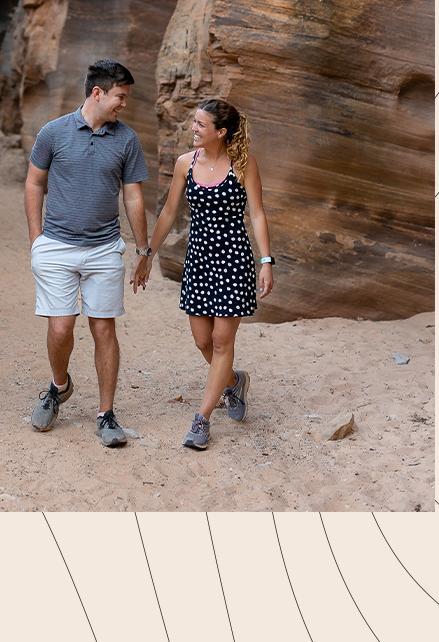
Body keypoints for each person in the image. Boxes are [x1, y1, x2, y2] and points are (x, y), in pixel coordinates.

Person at [25, 59, 152, 446]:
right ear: (98, 92)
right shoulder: (53, 132)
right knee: (61, 327)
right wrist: (36, 240)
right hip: (56, 246)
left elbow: (133, 196)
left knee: (102, 328)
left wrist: (143, 249)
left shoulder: (127, 139)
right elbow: (34, 184)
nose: (123, 104)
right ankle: (58, 386)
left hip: (104, 249)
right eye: (120, 96)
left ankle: (106, 413)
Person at [137, 99, 274, 450]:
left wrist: (266, 260)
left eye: (200, 124)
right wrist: (148, 253)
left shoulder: (244, 165)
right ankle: (233, 382)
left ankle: (202, 420)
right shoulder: (186, 163)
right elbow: (168, 212)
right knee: (202, 340)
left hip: (232, 260)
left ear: (220, 131)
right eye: (194, 123)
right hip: (198, 259)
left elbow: (257, 215)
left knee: (221, 342)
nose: (193, 129)